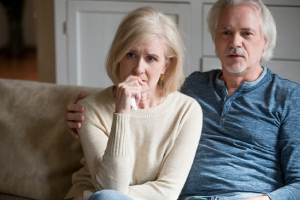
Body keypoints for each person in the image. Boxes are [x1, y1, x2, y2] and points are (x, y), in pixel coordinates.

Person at [67, 0, 300, 199]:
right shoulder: (191, 87)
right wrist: (82, 112)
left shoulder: (288, 97)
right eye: (226, 32)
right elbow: (141, 90)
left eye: (247, 33)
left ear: (265, 41)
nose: (235, 42)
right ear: (215, 38)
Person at [64, 6, 203, 200]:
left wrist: (88, 195)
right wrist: (121, 113)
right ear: (118, 56)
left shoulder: (187, 111)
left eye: (151, 58)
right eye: (131, 54)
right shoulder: (89, 109)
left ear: (165, 65)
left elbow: (168, 191)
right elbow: (111, 188)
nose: (139, 68)